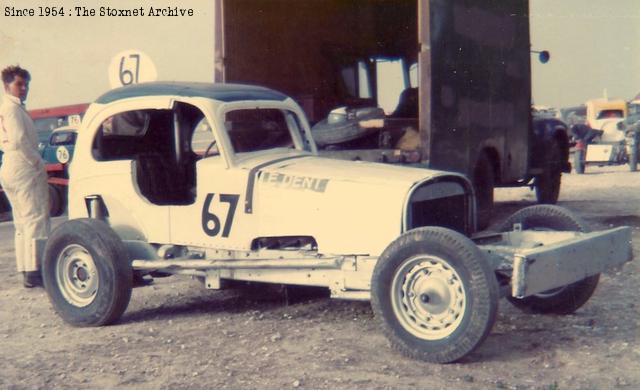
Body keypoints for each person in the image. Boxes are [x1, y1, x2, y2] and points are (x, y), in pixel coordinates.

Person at [0, 65, 50, 288]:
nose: (24, 88)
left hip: (10, 164)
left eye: (26, 84)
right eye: (19, 84)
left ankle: (27, 269)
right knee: (35, 218)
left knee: (22, 222)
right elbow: (20, 140)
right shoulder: (12, 109)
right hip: (23, 166)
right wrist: (37, 162)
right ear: (6, 85)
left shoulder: (6, 108)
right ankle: (35, 270)